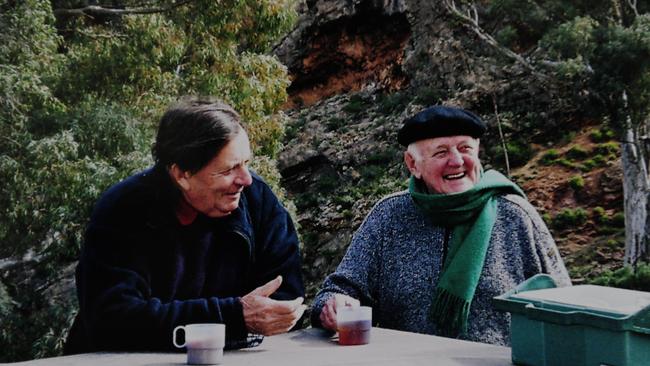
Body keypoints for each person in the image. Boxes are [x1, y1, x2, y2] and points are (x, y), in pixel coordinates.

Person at [310, 105, 571, 346]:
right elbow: (336, 291)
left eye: (465, 149)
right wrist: (333, 306)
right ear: (413, 165)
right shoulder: (388, 217)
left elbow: (566, 307)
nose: (456, 161)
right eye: (441, 152)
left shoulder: (516, 216)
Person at [65, 97, 306, 354]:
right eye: (229, 170)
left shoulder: (257, 200)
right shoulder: (123, 210)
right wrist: (233, 317)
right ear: (181, 174)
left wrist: (262, 316)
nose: (245, 179)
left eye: (246, 163)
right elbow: (113, 319)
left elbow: (285, 298)